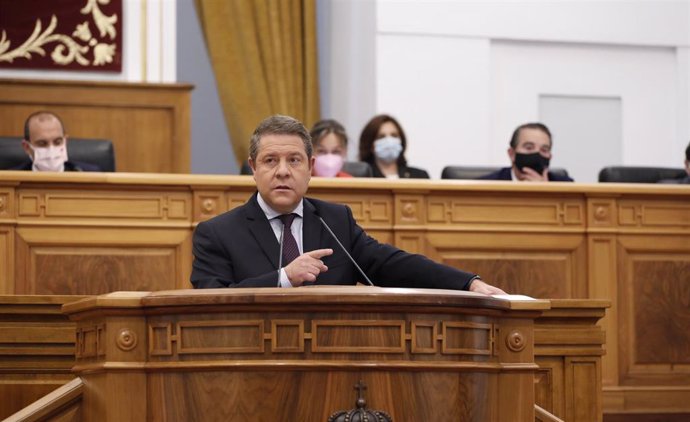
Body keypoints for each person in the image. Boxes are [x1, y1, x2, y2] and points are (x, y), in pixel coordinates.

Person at [191, 114, 504, 295]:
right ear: (253, 168)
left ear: (310, 167)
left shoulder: (334, 220)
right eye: (270, 160)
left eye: (294, 160)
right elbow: (208, 301)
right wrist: (284, 277)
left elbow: (390, 263)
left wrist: (468, 283)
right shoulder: (217, 233)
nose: (283, 171)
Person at [479, 122, 573, 182]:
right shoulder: (484, 185)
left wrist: (545, 192)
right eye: (529, 148)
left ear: (550, 157)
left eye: (544, 150)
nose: (537, 154)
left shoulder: (566, 186)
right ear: (511, 154)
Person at [12, 111, 100, 172]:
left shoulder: (91, 175)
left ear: (65, 141)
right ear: (26, 147)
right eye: (42, 143)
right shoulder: (9, 180)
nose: (51, 149)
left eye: (57, 142)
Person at [358, 114, 429, 179]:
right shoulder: (362, 178)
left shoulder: (420, 176)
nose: (389, 141)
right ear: (370, 145)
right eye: (381, 137)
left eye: (394, 135)